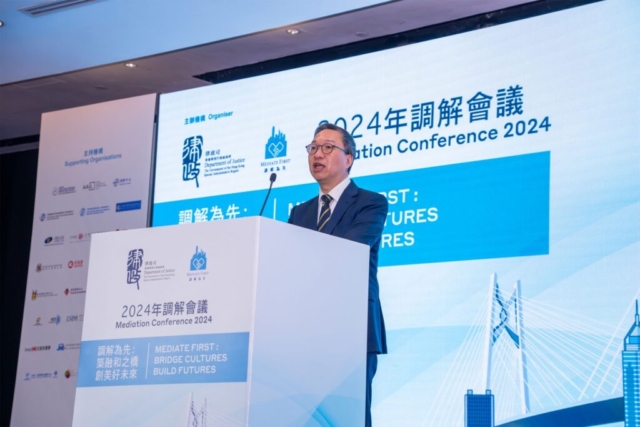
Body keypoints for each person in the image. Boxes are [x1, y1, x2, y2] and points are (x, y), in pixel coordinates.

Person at [288, 123, 388, 427]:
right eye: (313, 148)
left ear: (349, 158)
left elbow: (349, 248)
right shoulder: (299, 213)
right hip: (306, 331)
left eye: (328, 147)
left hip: (351, 327)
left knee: (349, 417)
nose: (317, 154)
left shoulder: (371, 203)